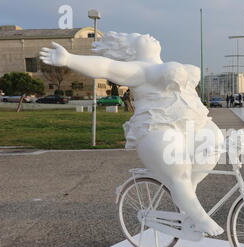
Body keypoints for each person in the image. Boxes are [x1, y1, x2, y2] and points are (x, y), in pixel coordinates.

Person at [40, 33, 226, 236]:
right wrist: (69, 59)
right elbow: (105, 66)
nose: (149, 36)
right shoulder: (138, 69)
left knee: (212, 145)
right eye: (141, 37)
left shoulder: (163, 64)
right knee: (178, 173)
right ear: (131, 49)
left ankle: (186, 202)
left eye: (149, 35)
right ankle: (200, 218)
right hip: (156, 125)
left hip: (192, 122)